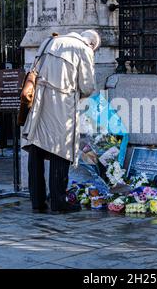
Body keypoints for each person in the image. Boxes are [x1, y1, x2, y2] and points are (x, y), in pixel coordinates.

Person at [22, 30, 100, 213]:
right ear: (92, 44)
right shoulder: (84, 49)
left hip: (39, 102)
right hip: (62, 104)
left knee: (37, 149)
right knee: (60, 151)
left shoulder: (49, 41)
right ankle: (58, 201)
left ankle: (37, 201)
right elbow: (87, 86)